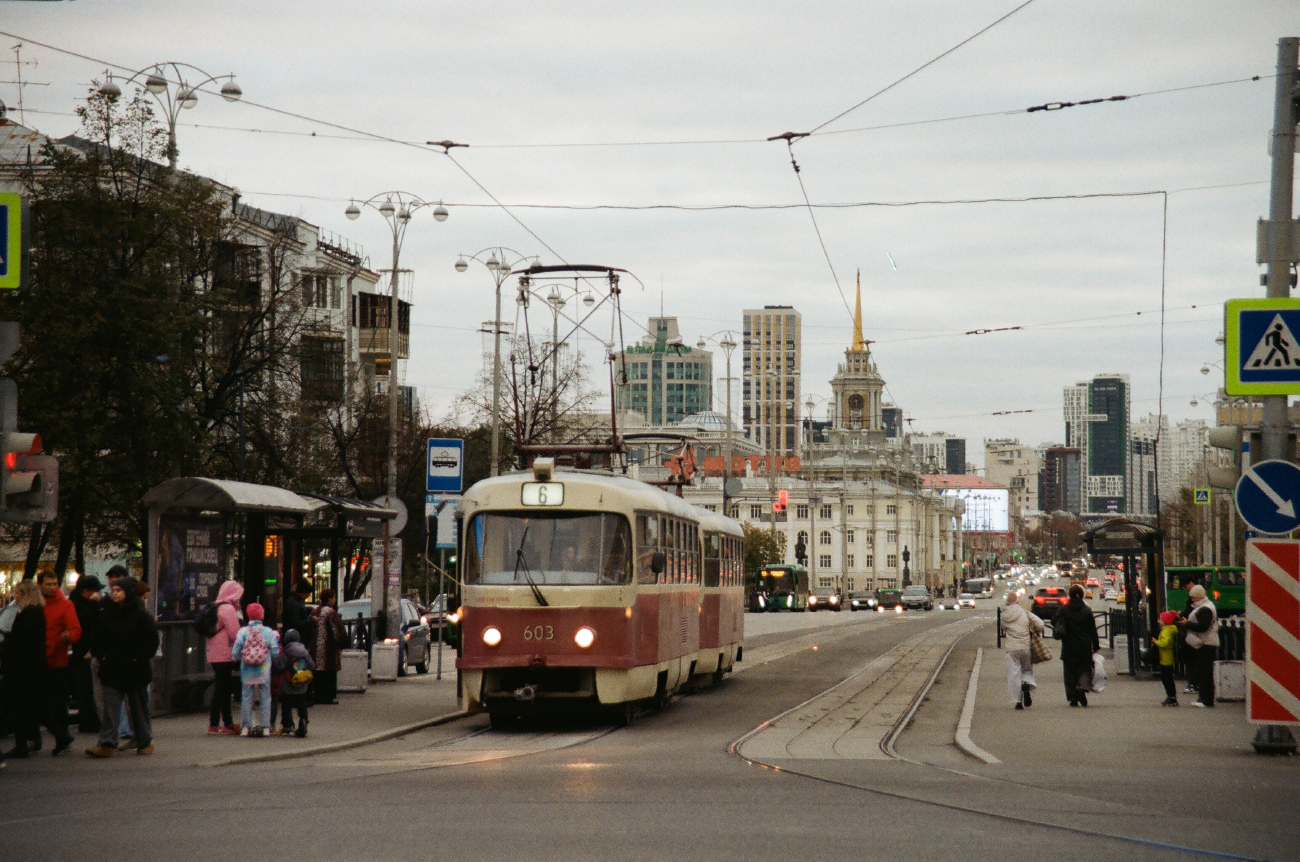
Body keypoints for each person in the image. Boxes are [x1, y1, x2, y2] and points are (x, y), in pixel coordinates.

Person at [85, 577, 159, 758]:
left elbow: (151, 641)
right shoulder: (107, 614)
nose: (115, 594)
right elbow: (96, 636)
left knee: (137, 708)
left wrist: (138, 657)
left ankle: (144, 741)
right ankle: (106, 743)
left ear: (128, 592)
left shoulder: (140, 615)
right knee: (110, 708)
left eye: (119, 590)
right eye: (114, 590)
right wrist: (101, 655)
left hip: (134, 669)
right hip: (112, 667)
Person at [2, 581, 49, 758]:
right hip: (29, 666)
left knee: (21, 706)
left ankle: (22, 744)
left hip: (24, 667)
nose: (14, 595)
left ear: (25, 594)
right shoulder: (32, 611)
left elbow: (23, 641)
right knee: (28, 706)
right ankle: (32, 740)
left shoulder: (30, 613)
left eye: (17, 592)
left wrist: (7, 645)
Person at [36, 571, 80, 755]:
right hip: (40, 660)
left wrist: (68, 637)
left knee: (58, 702)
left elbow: (75, 629)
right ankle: (51, 737)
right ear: (39, 585)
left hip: (57, 662)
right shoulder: (36, 604)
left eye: (55, 584)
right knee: (41, 702)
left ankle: (62, 736)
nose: (53, 587)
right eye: (48, 584)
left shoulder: (65, 604)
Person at [231, 602, 280, 737]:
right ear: (262, 615)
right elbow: (275, 650)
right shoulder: (268, 632)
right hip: (264, 667)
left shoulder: (243, 632)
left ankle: (246, 727)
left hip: (247, 668)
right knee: (265, 696)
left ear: (248, 615)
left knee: (246, 697)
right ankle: (265, 727)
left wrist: (238, 658)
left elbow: (236, 651)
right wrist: (270, 657)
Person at [204, 579, 244, 734]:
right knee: (223, 689)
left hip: (214, 652)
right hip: (225, 653)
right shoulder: (227, 609)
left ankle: (224, 722)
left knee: (223, 687)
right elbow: (235, 633)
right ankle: (217, 723)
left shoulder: (215, 606)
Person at [68, 575, 103, 733]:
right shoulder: (77, 605)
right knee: (86, 688)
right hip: (82, 650)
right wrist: (93, 604)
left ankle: (90, 720)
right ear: (86, 591)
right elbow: (85, 621)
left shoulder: (78, 602)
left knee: (88, 687)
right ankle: (88, 721)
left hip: (85, 649)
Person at [1055, 584, 1100, 707]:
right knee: (1084, 670)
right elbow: (1093, 629)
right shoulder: (1087, 610)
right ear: (1082, 595)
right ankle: (1082, 688)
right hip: (1084, 646)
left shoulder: (1064, 609)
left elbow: (1054, 621)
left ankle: (1073, 698)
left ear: (1070, 595)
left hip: (1068, 645)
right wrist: (1096, 646)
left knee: (1069, 672)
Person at [999, 590, 1044, 710]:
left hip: (1011, 648)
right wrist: (1033, 631)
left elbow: (1003, 627)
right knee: (1026, 669)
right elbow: (1040, 624)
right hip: (1025, 646)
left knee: (1014, 674)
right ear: (1018, 601)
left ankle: (1018, 701)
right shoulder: (1025, 613)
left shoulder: (1004, 615)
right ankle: (1026, 685)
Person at [1180, 584, 1219, 708]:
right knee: (1203, 672)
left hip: (1206, 643)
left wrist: (1187, 624)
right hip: (1203, 642)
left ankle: (1206, 699)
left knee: (1205, 672)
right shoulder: (1203, 607)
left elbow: (1203, 627)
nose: (1192, 600)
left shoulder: (1205, 609)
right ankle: (1203, 698)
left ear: (1199, 597)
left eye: (1193, 597)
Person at [273, 629, 315, 738]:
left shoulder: (286, 652)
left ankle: (287, 725)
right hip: (302, 684)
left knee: (286, 705)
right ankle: (303, 720)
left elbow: (279, 666)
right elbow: (311, 664)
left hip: (288, 684)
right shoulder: (304, 651)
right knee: (302, 705)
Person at [309, 589, 347, 705]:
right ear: (329, 599)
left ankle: (317, 695)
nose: (335, 600)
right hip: (328, 649)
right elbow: (337, 631)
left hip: (314, 648)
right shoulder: (331, 612)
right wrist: (342, 643)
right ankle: (328, 697)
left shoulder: (315, 611)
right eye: (334, 597)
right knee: (328, 672)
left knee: (317, 672)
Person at [1154, 610, 1179, 706]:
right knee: (1167, 678)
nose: (1158, 621)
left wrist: (1156, 642)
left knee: (1166, 679)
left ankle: (1171, 697)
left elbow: (1164, 644)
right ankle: (1171, 696)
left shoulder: (1166, 631)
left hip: (1165, 658)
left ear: (1165, 621)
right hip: (1166, 657)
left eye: (1160, 619)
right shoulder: (1168, 630)